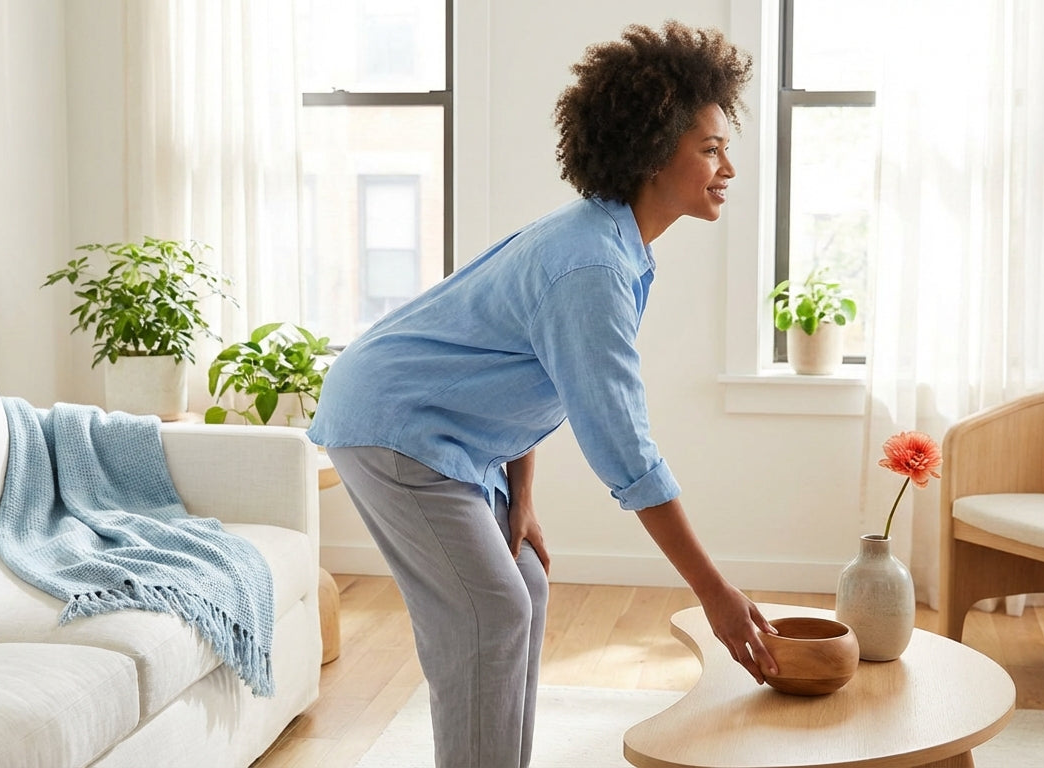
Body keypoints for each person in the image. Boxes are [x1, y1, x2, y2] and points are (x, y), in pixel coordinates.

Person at [307, 19, 777, 768]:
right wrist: (714, 592)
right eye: (711, 148)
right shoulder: (592, 265)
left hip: (443, 431)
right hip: (393, 425)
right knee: (489, 615)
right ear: (654, 151)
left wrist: (520, 497)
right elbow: (624, 450)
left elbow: (531, 375)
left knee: (523, 580)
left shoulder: (610, 243)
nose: (728, 167)